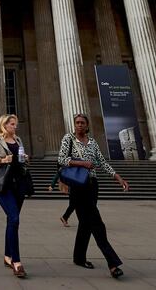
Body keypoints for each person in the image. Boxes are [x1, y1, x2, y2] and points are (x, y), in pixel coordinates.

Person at [58, 114, 130, 279]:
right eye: (77, 123)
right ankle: (112, 263)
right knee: (97, 223)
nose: (79, 125)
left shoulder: (92, 142)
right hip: (78, 185)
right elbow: (61, 159)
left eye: (82, 123)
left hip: (92, 185)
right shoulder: (68, 138)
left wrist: (118, 178)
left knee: (85, 223)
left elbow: (102, 162)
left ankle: (79, 257)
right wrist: (82, 163)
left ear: (87, 125)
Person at [0, 114, 30, 278]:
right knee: (14, 219)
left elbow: (23, 161)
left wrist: (25, 158)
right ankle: (16, 262)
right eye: (12, 124)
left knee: (12, 220)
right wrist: (3, 160)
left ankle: (7, 256)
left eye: (15, 124)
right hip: (4, 186)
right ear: (4, 125)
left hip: (19, 184)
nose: (15, 127)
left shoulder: (18, 141)